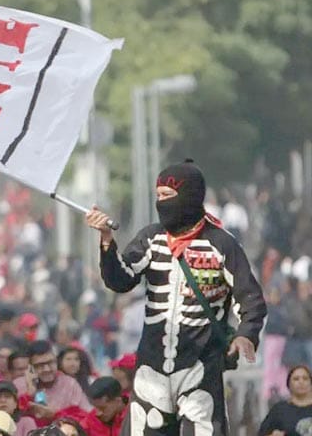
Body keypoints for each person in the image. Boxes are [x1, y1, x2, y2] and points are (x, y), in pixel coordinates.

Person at [85, 159, 268, 435]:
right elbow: (120, 280)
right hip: (151, 369)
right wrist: (107, 240)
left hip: (200, 368)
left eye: (168, 197)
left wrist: (246, 334)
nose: (162, 203)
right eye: (158, 197)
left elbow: (250, 299)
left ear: (189, 196)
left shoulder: (221, 243)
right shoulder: (150, 238)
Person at [258, 365, 312, 436]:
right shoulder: (279, 410)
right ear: (288, 384)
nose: (301, 382)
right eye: (296, 379)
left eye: (305, 378)